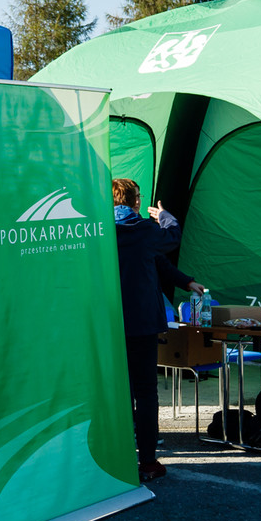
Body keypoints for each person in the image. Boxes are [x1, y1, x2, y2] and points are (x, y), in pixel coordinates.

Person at [113, 178, 203, 482]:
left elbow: (158, 262)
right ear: (135, 201)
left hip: (111, 324)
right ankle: (148, 462)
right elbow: (172, 236)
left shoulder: (101, 231)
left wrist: (186, 281)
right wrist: (164, 215)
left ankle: (119, 458)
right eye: (138, 197)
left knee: (119, 391)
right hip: (143, 324)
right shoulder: (145, 229)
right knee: (145, 393)